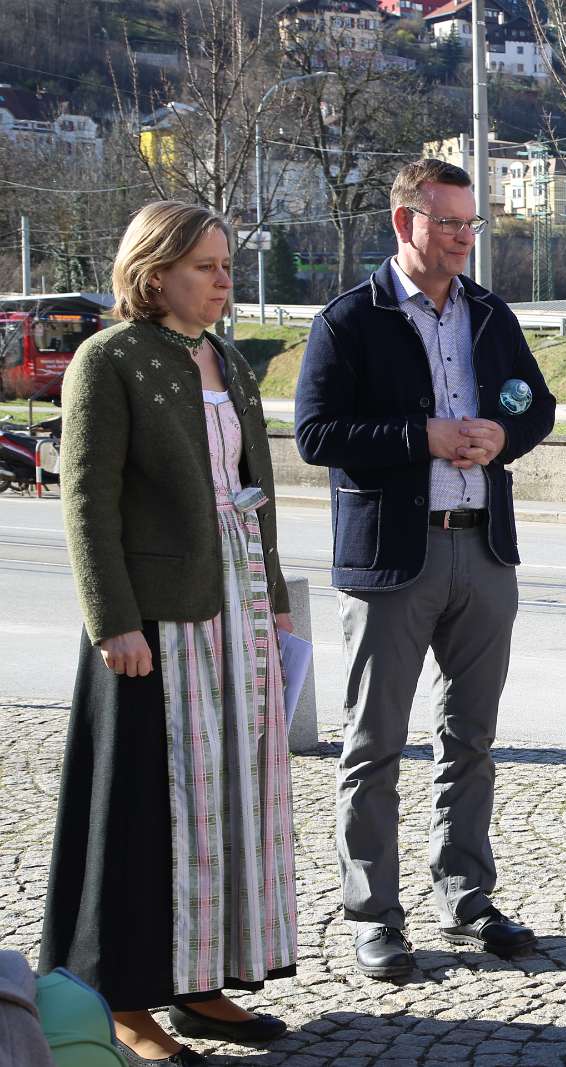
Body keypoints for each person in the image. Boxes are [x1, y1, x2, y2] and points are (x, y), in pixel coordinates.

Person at [42, 201, 297, 1066]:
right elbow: (87, 499)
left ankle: (199, 976)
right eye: (205, 267)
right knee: (148, 802)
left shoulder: (228, 357)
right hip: (154, 613)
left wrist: (274, 594)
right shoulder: (109, 358)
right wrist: (113, 619)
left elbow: (252, 485)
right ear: (154, 275)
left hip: (238, 598)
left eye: (226, 265)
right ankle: (119, 997)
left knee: (227, 794)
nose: (224, 281)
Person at [295, 159, 556, 979]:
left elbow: (537, 405)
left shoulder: (491, 313)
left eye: (471, 222)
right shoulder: (350, 319)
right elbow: (315, 434)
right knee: (373, 745)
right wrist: (424, 437)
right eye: (449, 223)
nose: (464, 237)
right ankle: (373, 913)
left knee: (470, 738)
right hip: (389, 561)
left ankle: (465, 893)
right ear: (404, 222)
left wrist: (503, 436)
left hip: (484, 548)